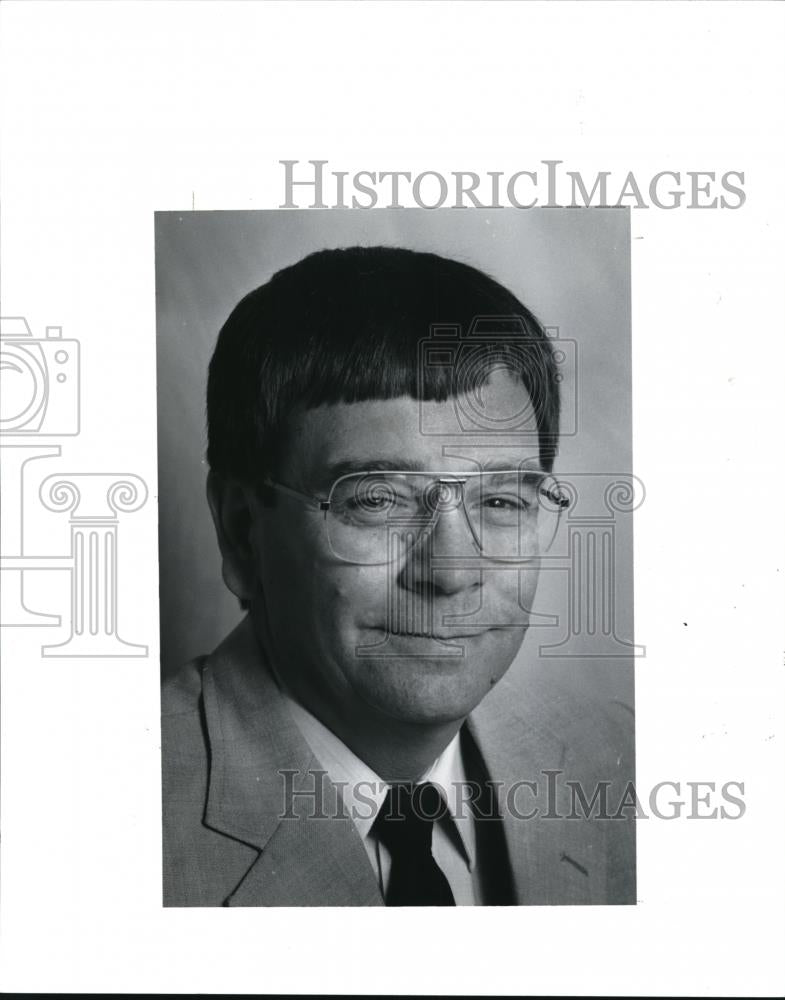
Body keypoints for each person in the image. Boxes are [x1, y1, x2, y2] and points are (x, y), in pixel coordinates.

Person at [162, 245, 635, 907]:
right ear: (242, 530)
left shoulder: (623, 765)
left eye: (500, 501)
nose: (450, 573)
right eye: (377, 499)